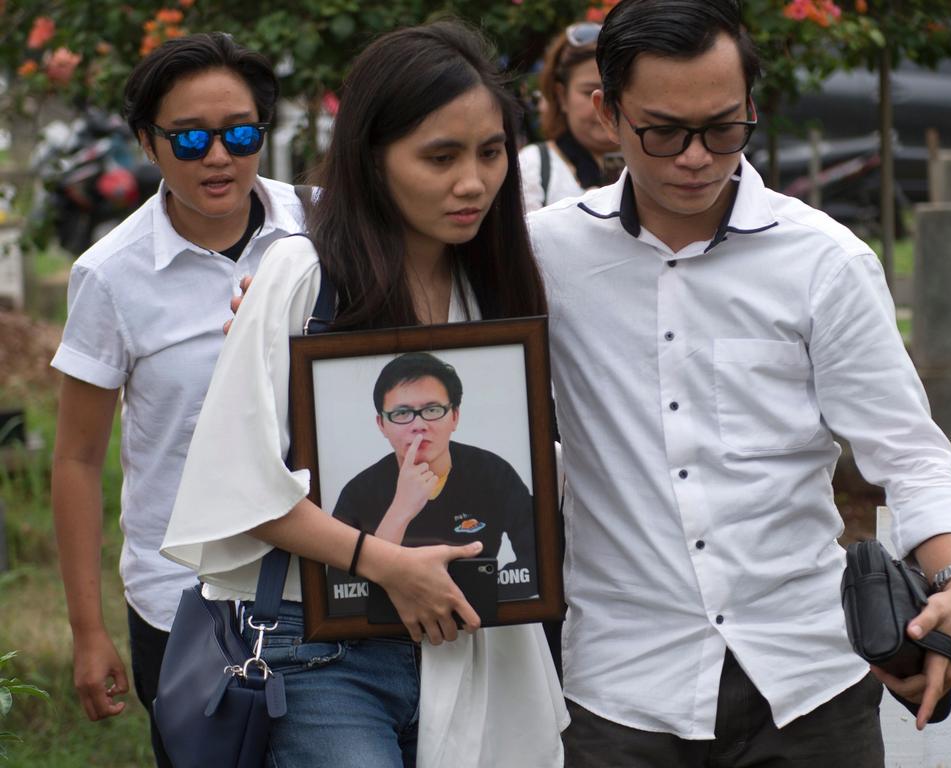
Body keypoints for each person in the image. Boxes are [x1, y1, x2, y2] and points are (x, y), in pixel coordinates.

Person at [527, 1, 951, 765]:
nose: (697, 157)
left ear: (752, 109)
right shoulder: (544, 257)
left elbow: (908, 453)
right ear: (606, 113)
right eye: (664, 132)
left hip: (810, 681)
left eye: (724, 128)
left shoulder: (823, 262)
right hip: (620, 690)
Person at [162, 21, 567, 768]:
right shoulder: (302, 274)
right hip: (321, 655)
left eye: (490, 151)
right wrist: (383, 560)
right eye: (438, 157)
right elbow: (239, 483)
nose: (472, 182)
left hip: (472, 653)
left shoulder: (498, 288)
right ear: (372, 158)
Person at [49, 32, 306, 768]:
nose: (219, 157)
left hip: (324, 581)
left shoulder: (324, 228)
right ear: (146, 142)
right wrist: (87, 630)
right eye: (190, 139)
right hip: (183, 602)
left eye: (241, 133)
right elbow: (74, 457)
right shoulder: (112, 275)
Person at [332, 352, 538, 602]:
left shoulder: (493, 473)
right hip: (388, 636)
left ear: (455, 416)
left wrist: (471, 596)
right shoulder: (358, 493)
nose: (418, 425)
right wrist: (400, 509)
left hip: (480, 623)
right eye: (401, 413)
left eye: (432, 409)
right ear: (381, 424)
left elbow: (539, 560)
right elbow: (343, 593)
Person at [519, 21, 621, 211]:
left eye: (616, 91)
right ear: (561, 96)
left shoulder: (659, 163)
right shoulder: (532, 168)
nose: (606, 106)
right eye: (590, 91)